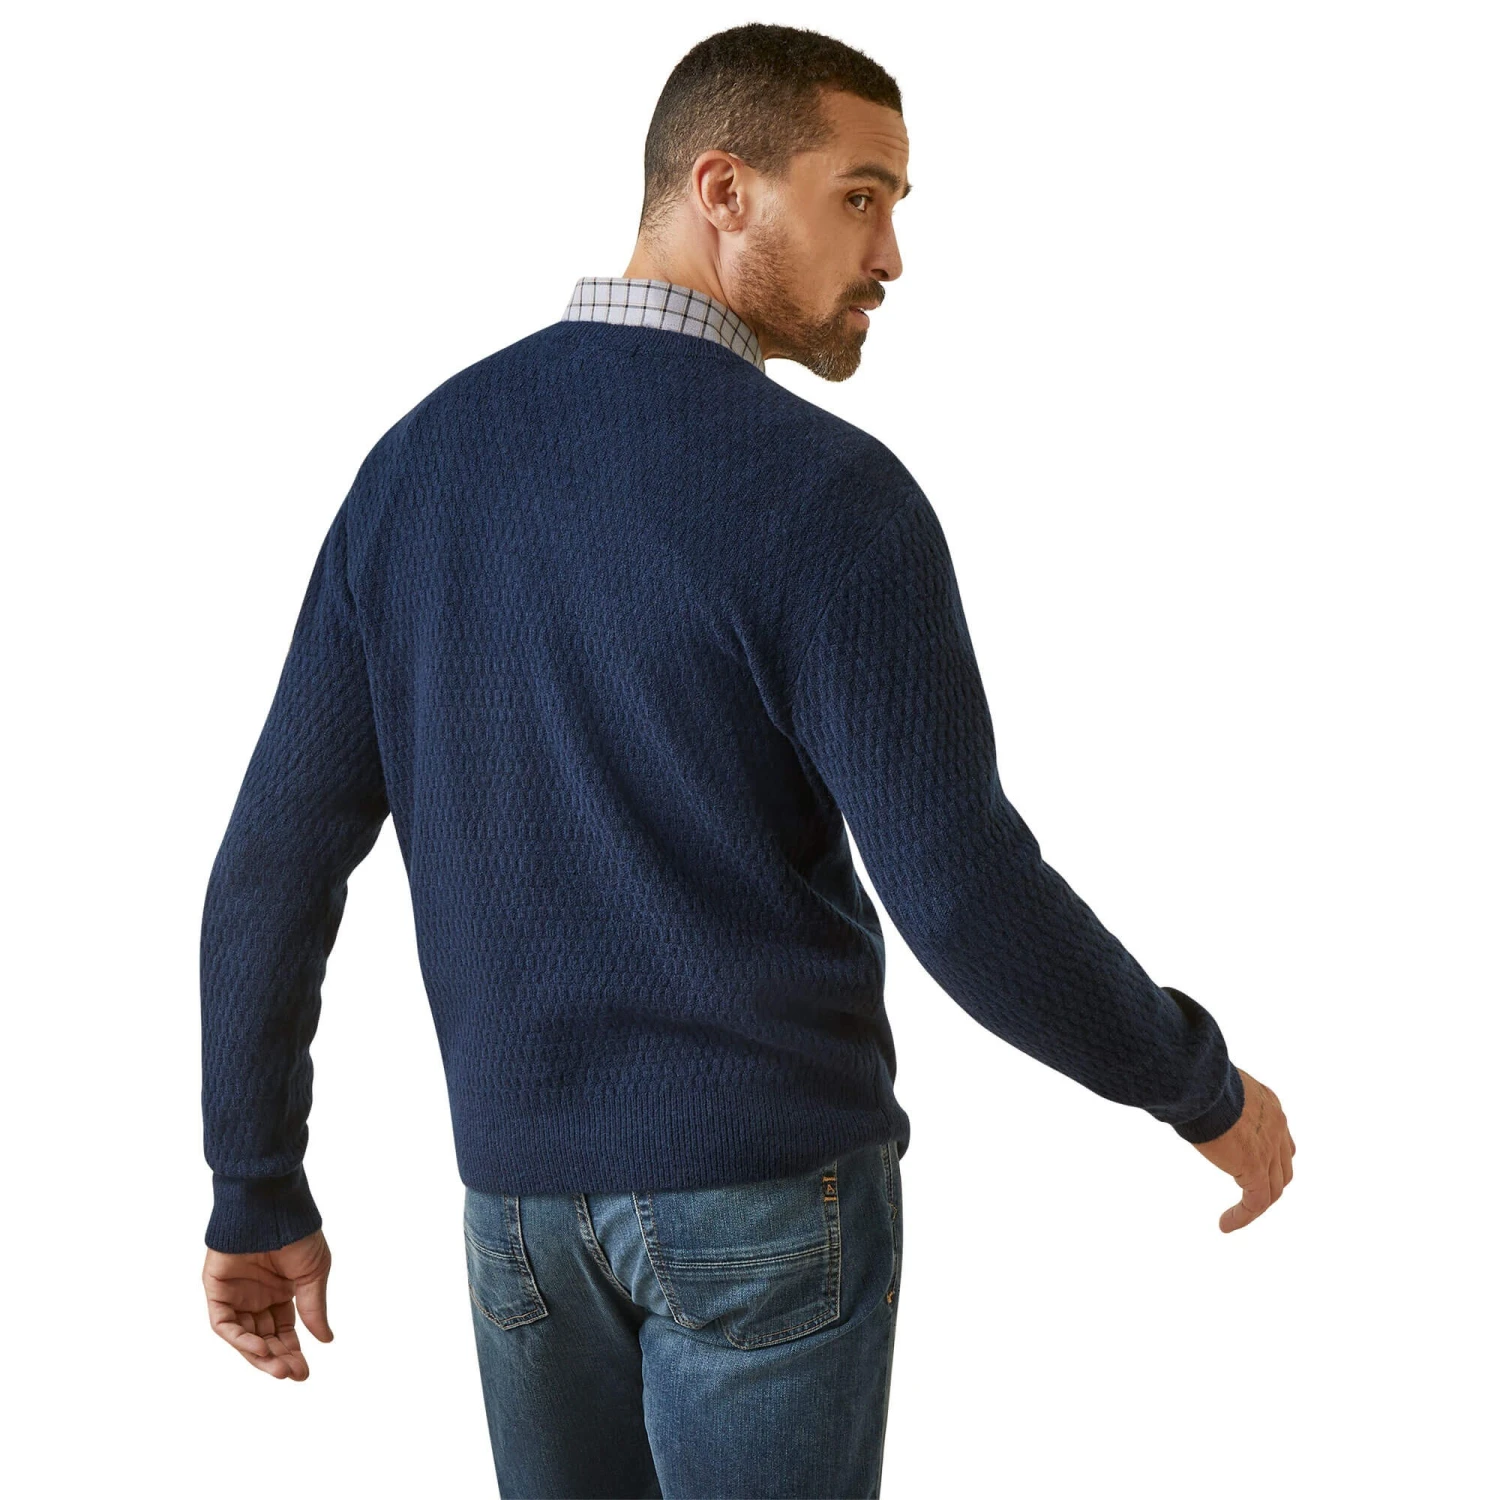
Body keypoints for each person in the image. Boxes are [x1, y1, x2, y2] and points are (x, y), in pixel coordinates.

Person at [199, 21, 1294, 1497]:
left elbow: (274, 861)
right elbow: (964, 892)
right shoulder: (826, 496)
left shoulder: (417, 469)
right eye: (860, 196)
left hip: (519, 1218)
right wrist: (1198, 1085)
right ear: (723, 188)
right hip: (768, 1200)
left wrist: (254, 1185)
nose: (891, 255)